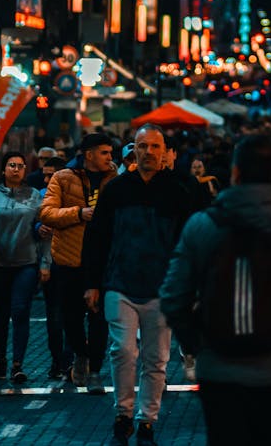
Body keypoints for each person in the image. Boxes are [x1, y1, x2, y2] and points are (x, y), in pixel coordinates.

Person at [160, 133, 271, 446]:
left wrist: (198, 343)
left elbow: (173, 297)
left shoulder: (203, 224)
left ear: (235, 173)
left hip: (218, 366)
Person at [82, 124, 198, 445]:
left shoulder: (178, 191)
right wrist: (92, 282)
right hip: (120, 282)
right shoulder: (117, 189)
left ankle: (146, 419)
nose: (148, 152)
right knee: (122, 350)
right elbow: (97, 238)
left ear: (164, 152)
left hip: (162, 287)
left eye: (154, 147)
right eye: (142, 146)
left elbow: (190, 242)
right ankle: (123, 413)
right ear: (133, 150)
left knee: (156, 358)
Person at [39, 132, 116, 391]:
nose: (109, 158)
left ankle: (94, 370)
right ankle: (80, 355)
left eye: (110, 153)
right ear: (89, 154)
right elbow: (46, 213)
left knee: (99, 318)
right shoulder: (62, 178)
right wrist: (79, 213)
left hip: (101, 261)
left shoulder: (114, 178)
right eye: (104, 152)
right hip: (69, 261)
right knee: (71, 318)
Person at [0, 151, 50, 384]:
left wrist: (45, 262)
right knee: (0, 314)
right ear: (3, 170)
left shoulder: (33, 195)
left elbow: (44, 226)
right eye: (11, 165)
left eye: (21, 166)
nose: (16, 169)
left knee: (20, 310)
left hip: (26, 262)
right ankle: (1, 359)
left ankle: (17, 364)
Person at [36, 156, 73, 381]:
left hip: (71, 264)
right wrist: (39, 226)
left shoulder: (75, 196)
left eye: (51, 175)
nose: (47, 179)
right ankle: (57, 359)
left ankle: (69, 361)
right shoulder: (41, 197)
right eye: (45, 175)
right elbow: (36, 228)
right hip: (50, 264)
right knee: (54, 317)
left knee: (70, 316)